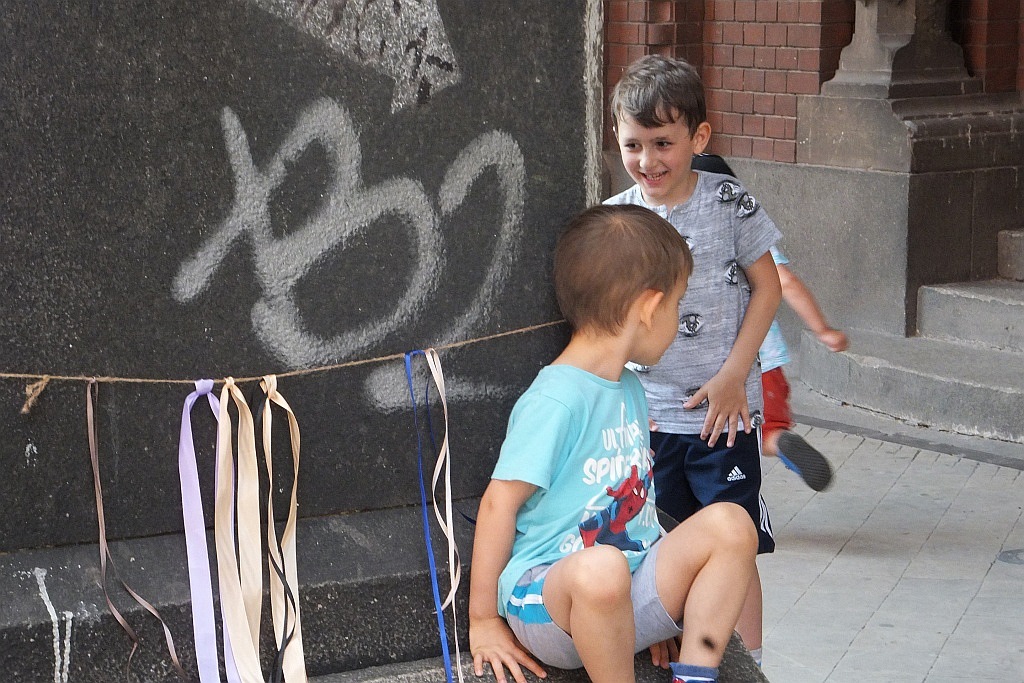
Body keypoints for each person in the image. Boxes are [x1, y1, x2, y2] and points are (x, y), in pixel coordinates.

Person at [468, 204, 759, 683]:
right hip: (549, 600)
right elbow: (499, 503)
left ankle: (696, 675)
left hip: (624, 583)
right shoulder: (557, 399)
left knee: (732, 523)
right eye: (677, 305)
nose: (678, 320)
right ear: (648, 308)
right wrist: (483, 620)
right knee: (601, 570)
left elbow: (637, 501)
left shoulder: (629, 388)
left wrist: (651, 612)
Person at [604, 55, 782, 667]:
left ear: (698, 138)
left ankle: (748, 662)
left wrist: (736, 373)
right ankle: (678, 638)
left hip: (723, 417)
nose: (648, 160)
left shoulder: (730, 202)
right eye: (634, 144)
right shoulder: (617, 218)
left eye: (663, 143)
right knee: (663, 540)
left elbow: (770, 287)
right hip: (645, 418)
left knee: (737, 544)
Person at [690, 152, 850, 492]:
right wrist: (822, 330)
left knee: (719, 435)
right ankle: (779, 442)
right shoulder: (749, 234)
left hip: (715, 369)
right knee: (766, 429)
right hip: (767, 365)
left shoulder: (687, 241)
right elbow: (786, 283)